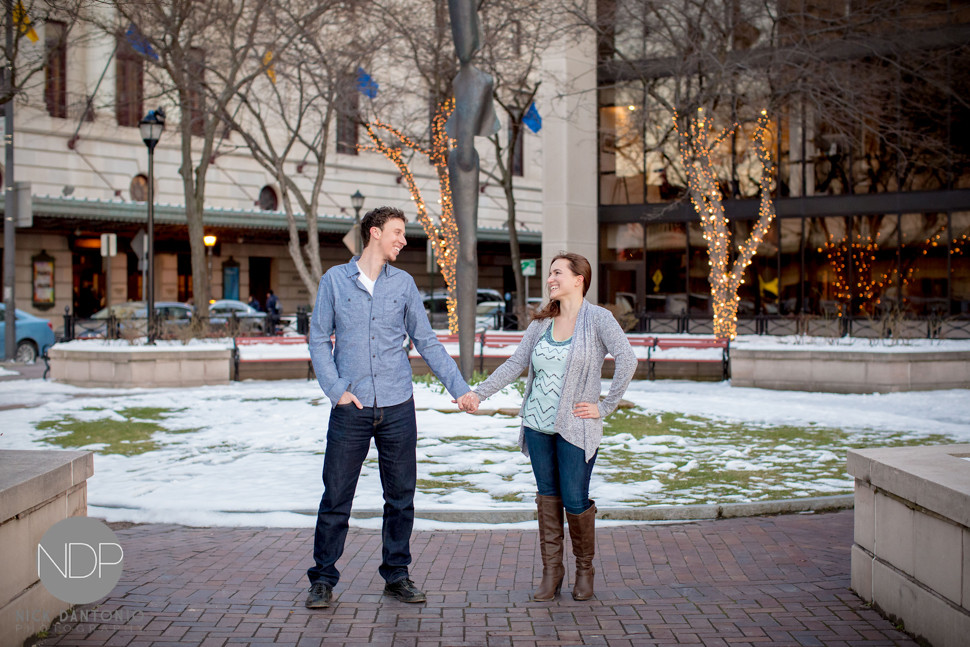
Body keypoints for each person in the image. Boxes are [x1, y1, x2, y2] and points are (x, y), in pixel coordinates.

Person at [305, 206, 472, 609]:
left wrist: (460, 388)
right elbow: (317, 339)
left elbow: (426, 341)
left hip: (398, 406)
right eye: (397, 232)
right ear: (375, 233)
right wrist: (337, 390)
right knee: (336, 497)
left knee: (400, 497)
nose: (403, 240)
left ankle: (396, 575)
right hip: (351, 407)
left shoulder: (404, 285)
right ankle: (323, 579)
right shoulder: (335, 281)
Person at [456, 253, 636, 602]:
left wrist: (605, 406)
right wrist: (479, 393)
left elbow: (627, 359)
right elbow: (517, 363)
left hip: (576, 427)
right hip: (537, 426)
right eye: (550, 273)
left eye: (557, 273)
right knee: (547, 498)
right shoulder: (541, 322)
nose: (550, 279)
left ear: (579, 278)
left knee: (575, 499)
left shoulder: (599, 319)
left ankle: (585, 570)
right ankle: (552, 571)